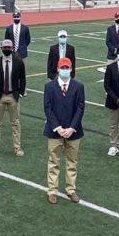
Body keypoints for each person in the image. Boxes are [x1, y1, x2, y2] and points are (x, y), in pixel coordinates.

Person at [43, 57, 85, 204]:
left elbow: (80, 108)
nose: (65, 70)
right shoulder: (49, 87)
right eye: (63, 68)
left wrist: (71, 128)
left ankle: (71, 190)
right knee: (53, 161)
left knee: (72, 162)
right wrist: (58, 127)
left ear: (71, 69)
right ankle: (52, 191)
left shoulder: (78, 86)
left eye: (67, 68)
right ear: (58, 69)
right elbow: (48, 108)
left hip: (73, 132)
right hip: (55, 131)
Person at [0, 38, 26, 157]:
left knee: (15, 123)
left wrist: (20, 93)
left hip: (13, 96)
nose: (7, 49)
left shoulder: (19, 62)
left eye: (9, 48)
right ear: (1, 49)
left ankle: (17, 147)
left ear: (12, 48)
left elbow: (22, 79)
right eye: (5, 48)